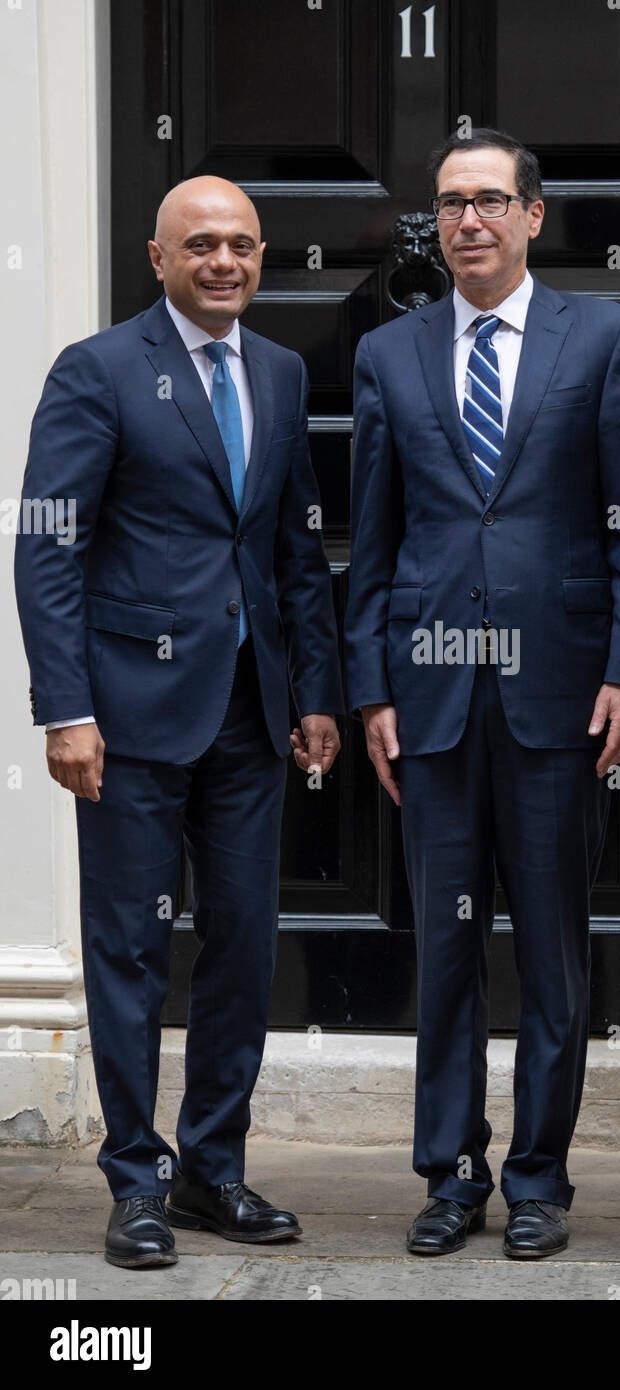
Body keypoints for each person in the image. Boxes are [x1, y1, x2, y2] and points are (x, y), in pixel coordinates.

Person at [345, 128, 620, 1258]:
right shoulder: (390, 355)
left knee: (552, 951)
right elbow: (372, 540)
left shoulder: (608, 339)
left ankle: (538, 1177)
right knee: (445, 947)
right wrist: (371, 686)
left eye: (488, 200)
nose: (466, 222)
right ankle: (449, 1172)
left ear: (533, 214)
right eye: (448, 205)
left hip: (562, 695)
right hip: (430, 700)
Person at [15, 176, 343, 1269]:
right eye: (200, 244)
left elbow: (296, 548)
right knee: (129, 951)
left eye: (242, 245)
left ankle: (214, 1171)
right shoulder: (97, 370)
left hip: (251, 716)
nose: (225, 262)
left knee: (243, 948)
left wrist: (317, 695)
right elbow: (47, 545)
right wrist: (65, 708)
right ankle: (135, 1183)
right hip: (129, 719)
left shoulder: (285, 373)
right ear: (156, 259)